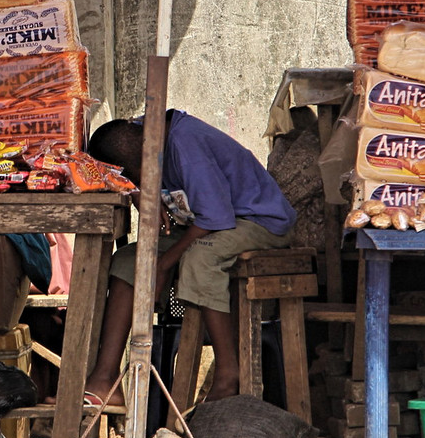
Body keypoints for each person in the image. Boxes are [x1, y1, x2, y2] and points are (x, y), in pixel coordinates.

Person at [83, 111, 296, 404]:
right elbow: (125, 167)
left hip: (256, 221)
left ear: (146, 159)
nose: (137, 182)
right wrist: (138, 191)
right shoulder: (145, 130)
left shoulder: (186, 146)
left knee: (200, 258)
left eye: (136, 175)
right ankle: (105, 378)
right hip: (207, 220)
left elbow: (215, 219)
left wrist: (163, 264)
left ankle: (228, 373)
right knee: (128, 261)